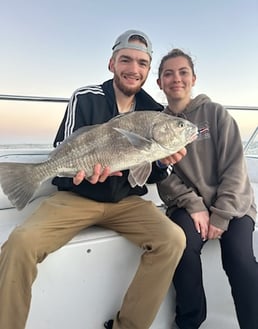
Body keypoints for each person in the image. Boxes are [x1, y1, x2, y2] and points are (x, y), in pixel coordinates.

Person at [0, 31, 187, 329]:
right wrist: (85, 173)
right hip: (78, 197)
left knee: (173, 239)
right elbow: (66, 146)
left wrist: (162, 163)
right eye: (125, 59)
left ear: (148, 70)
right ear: (111, 63)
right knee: (20, 243)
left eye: (142, 63)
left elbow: (149, 173)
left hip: (126, 202)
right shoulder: (86, 97)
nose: (133, 69)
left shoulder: (154, 112)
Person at [156, 48, 258, 329]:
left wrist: (222, 214)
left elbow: (235, 168)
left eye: (183, 72)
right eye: (168, 73)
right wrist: (194, 205)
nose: (176, 78)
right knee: (182, 246)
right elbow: (163, 176)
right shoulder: (157, 123)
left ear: (193, 78)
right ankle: (190, 321)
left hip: (233, 204)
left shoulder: (215, 114)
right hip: (187, 206)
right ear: (160, 83)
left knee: (239, 259)